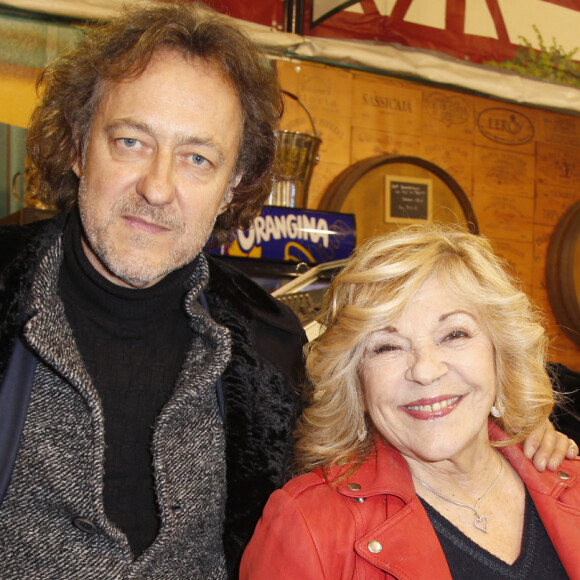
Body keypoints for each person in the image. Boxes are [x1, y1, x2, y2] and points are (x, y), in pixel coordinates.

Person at [0, 3, 307, 578]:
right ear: (77, 145)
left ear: (230, 186)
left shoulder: (271, 346)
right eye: (131, 142)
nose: (158, 187)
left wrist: (512, 441)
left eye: (197, 158)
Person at [241, 224, 580, 579]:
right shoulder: (306, 525)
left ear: (500, 354)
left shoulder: (568, 482)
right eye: (387, 347)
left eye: (454, 334)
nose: (425, 370)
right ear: (355, 382)